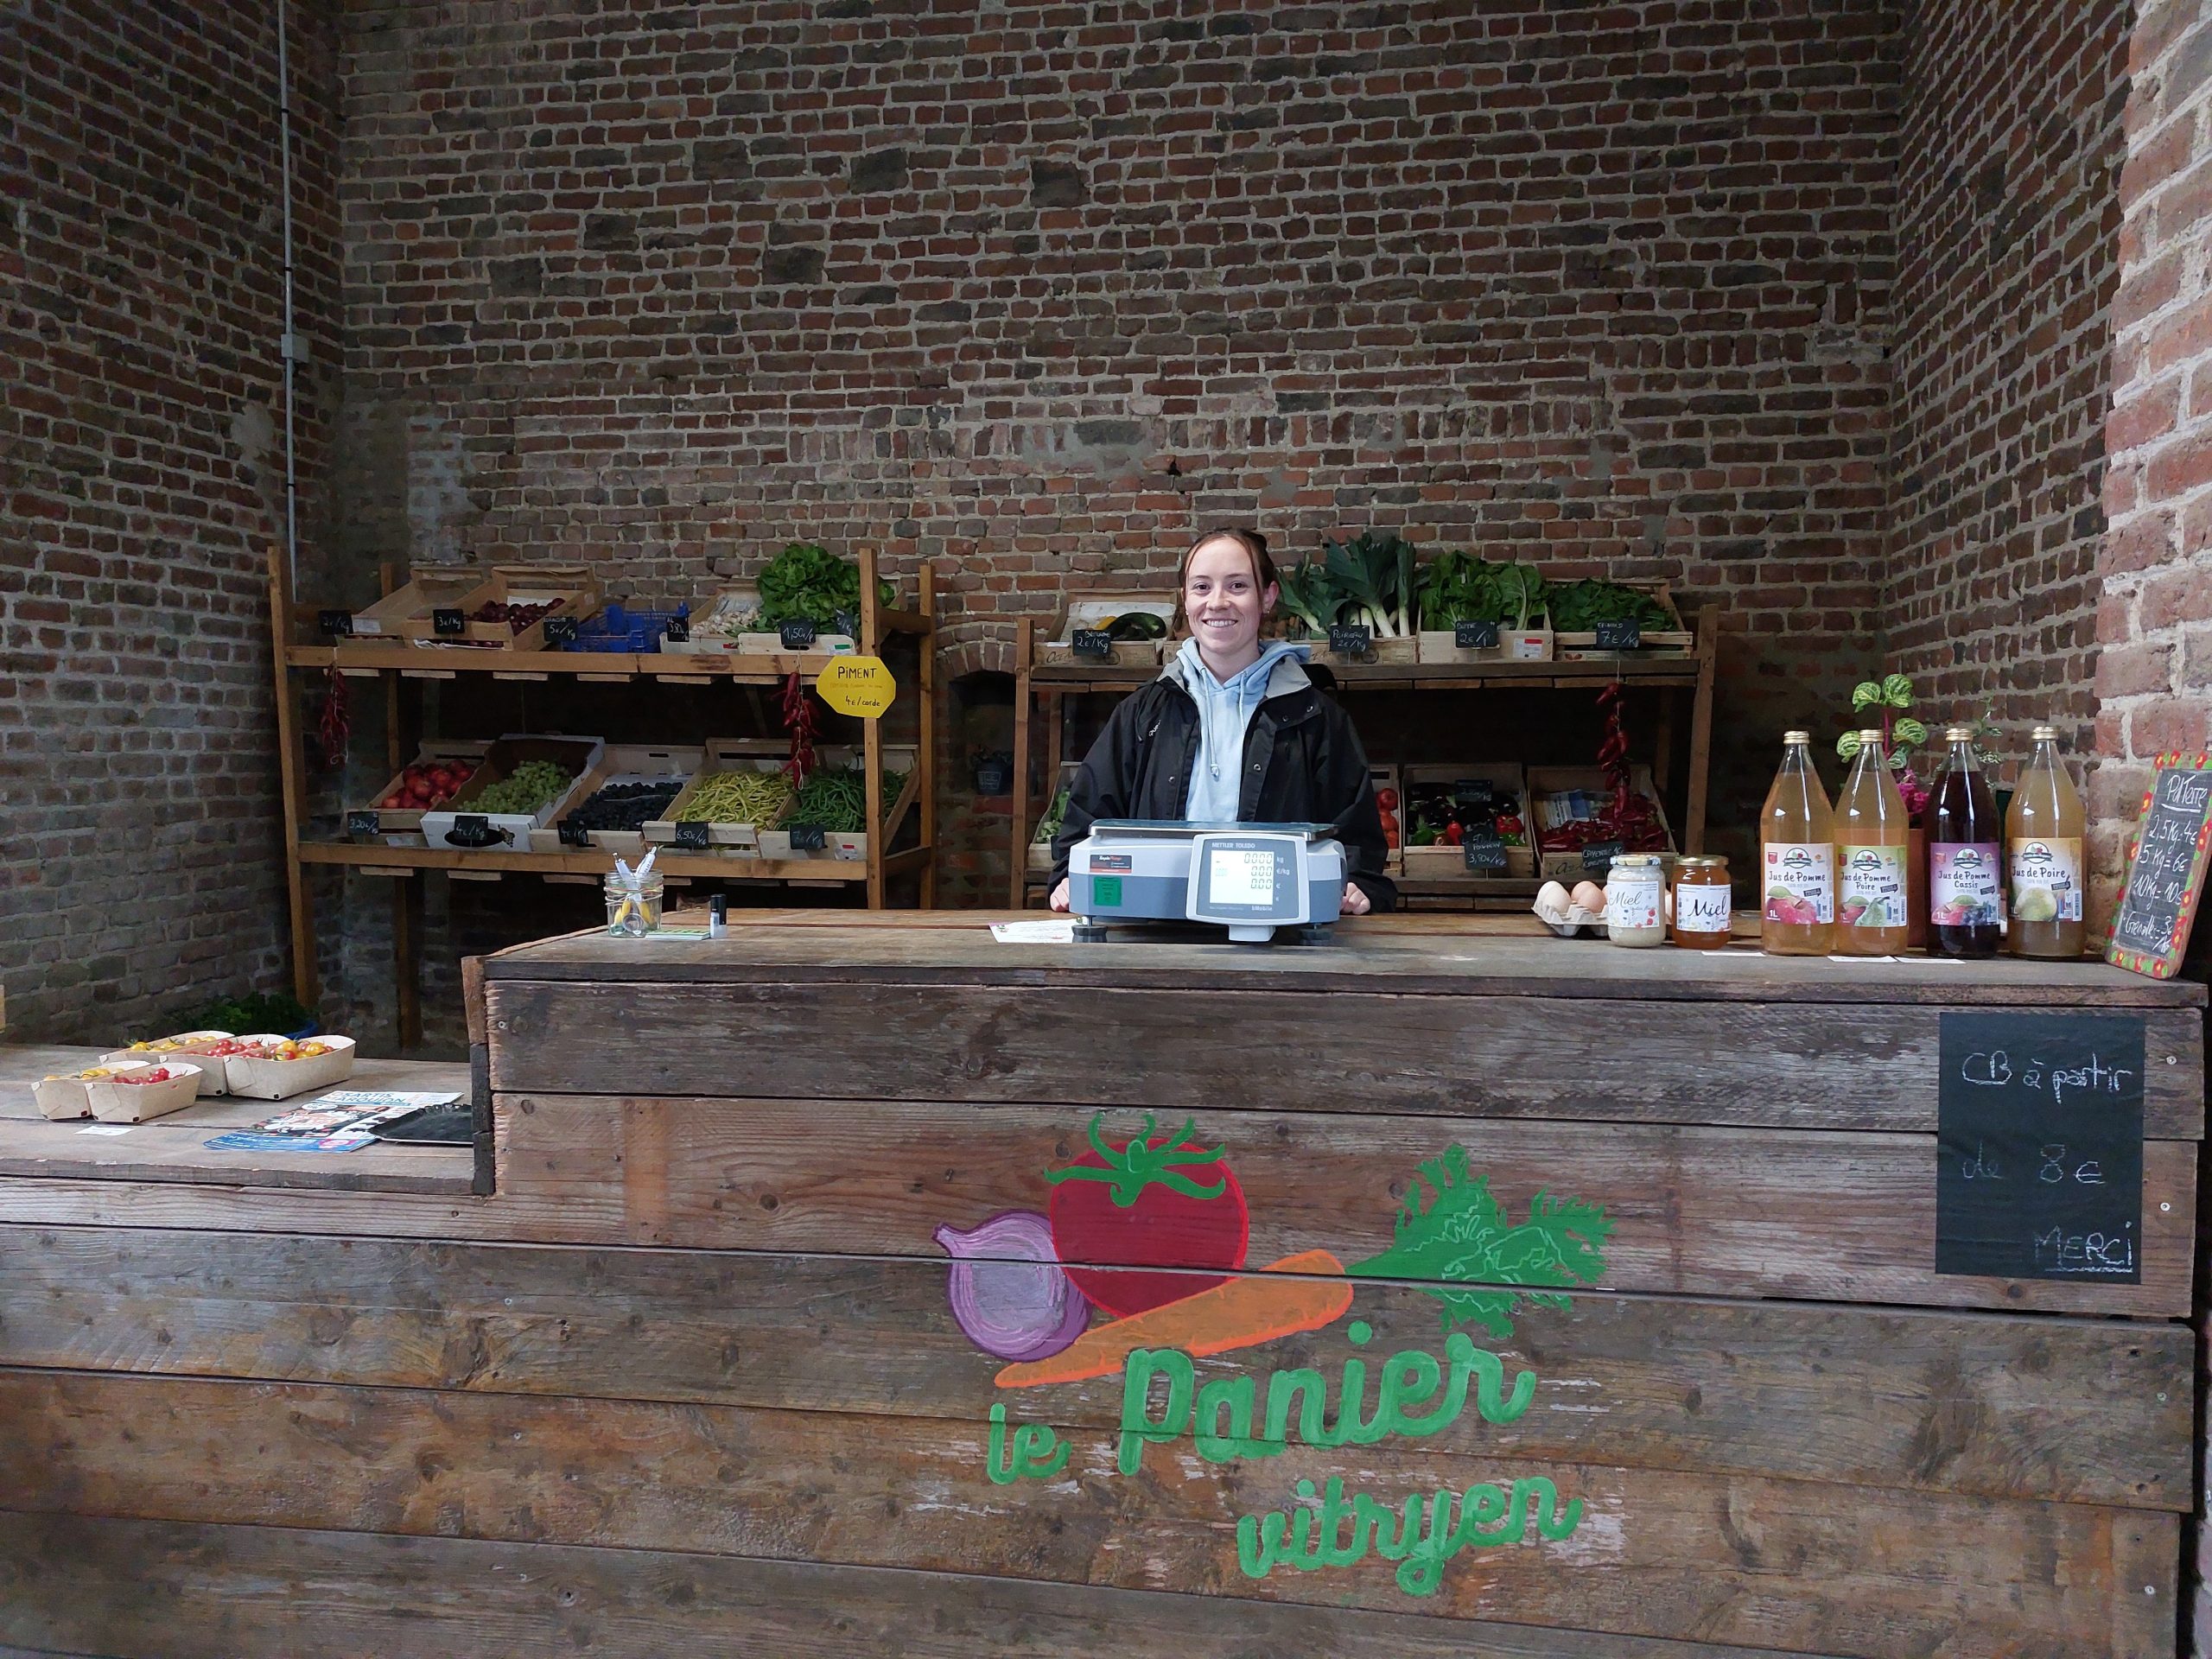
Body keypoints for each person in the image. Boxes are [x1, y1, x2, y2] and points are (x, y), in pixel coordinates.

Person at [1048, 527, 1396, 915]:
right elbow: (1086, 821)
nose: (1217, 602)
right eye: (1201, 587)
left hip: (1278, 934)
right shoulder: (1143, 714)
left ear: (1267, 597)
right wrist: (1069, 874)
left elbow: (1357, 838)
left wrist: (1358, 884)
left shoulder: (1315, 717)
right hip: (1155, 924)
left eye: (1236, 586)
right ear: (1185, 598)